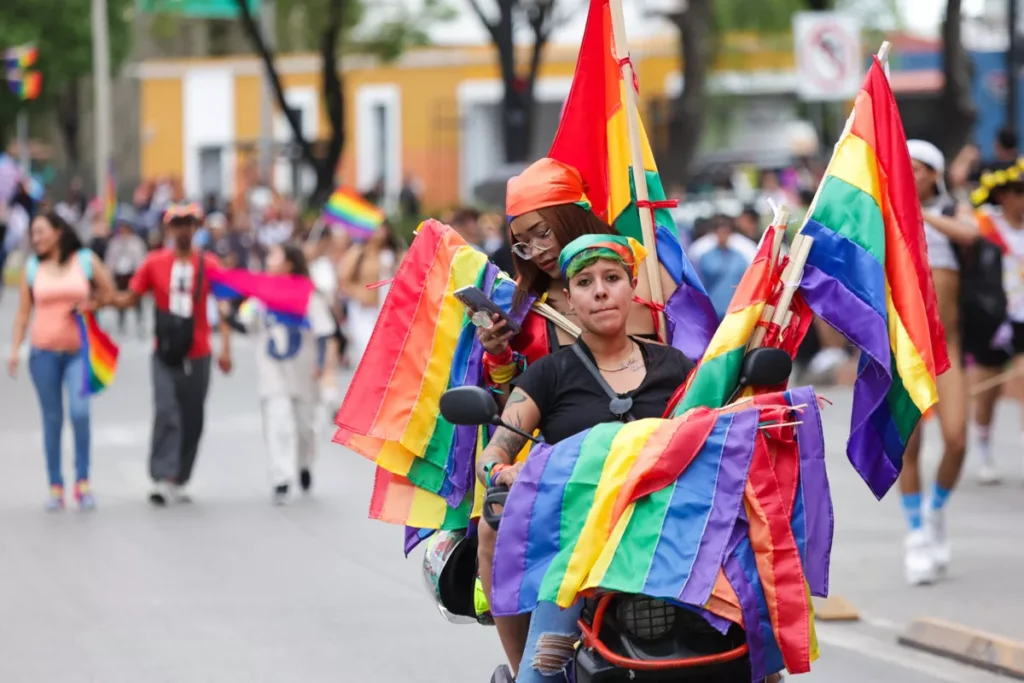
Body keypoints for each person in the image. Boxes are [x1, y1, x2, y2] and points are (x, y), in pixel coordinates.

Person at [475, 234, 695, 683]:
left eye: (612, 278)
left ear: (632, 289)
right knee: (541, 674)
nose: (600, 290)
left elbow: (709, 438)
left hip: (667, 540)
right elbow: (495, 452)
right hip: (575, 553)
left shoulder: (677, 367)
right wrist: (504, 471)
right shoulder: (550, 373)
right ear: (570, 301)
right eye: (585, 282)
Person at [108, 202, 233, 506]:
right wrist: (101, 299)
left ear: (197, 228)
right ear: (168, 229)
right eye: (177, 224)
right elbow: (131, 297)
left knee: (193, 416)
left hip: (199, 351)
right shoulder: (154, 263)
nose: (183, 230)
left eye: (189, 224)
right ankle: (162, 475)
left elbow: (225, 305)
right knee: (166, 409)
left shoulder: (210, 264)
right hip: (163, 351)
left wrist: (225, 346)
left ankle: (180, 476)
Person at [899, 140, 977, 586]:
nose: (912, 174)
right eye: (905, 167)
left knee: (957, 439)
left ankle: (935, 511)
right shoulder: (886, 215)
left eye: (919, 168)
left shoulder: (952, 209)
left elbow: (972, 235)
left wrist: (920, 214)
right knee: (908, 447)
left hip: (950, 351)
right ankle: (915, 535)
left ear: (935, 172)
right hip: (908, 351)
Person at [7, 212, 117, 511]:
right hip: (43, 354)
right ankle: (55, 485)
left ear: (58, 231)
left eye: (41, 231)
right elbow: (22, 313)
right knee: (52, 420)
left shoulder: (84, 260)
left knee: (80, 413)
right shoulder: (32, 268)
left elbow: (110, 293)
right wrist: (15, 350)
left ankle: (83, 481)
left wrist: (90, 304)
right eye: (33, 233)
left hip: (78, 352)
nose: (36, 238)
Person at [238, 244, 337, 504]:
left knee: (306, 428)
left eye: (274, 256)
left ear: (289, 263)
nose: (269, 261)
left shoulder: (308, 294)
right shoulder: (261, 295)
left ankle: (304, 464)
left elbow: (324, 332)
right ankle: (281, 477)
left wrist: (320, 364)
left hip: (303, 373)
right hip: (272, 372)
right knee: (278, 424)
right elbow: (245, 319)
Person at [965, 160, 1024, 491]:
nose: (1022, 198)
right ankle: (985, 452)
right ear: (1002, 196)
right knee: (988, 395)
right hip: (991, 320)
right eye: (1016, 192)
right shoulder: (982, 226)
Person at [337, 222, 403, 365]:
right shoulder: (358, 252)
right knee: (367, 351)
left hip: (389, 311)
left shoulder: (395, 254)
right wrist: (358, 294)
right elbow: (343, 279)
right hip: (363, 311)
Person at [693, 215, 751, 319]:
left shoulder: (740, 257)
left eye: (726, 232)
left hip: (734, 310)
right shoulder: (705, 256)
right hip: (711, 309)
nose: (722, 235)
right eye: (720, 232)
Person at [104, 217, 148, 336]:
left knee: (136, 300)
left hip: (132, 273)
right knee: (120, 298)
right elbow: (110, 260)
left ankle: (140, 322)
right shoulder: (115, 243)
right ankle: (121, 322)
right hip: (120, 274)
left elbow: (141, 259)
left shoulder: (136, 242)